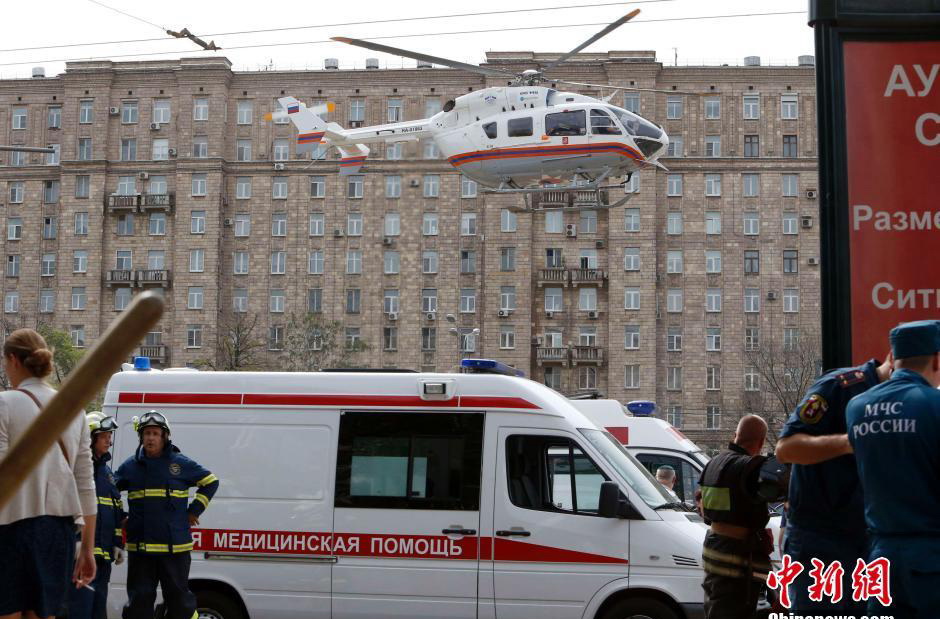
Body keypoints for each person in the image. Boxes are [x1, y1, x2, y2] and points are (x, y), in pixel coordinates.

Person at [775, 355, 892, 613]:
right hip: (821, 539)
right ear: (894, 358)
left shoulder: (913, 402)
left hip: (872, 542)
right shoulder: (839, 387)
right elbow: (786, 448)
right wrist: (852, 441)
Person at [0, 328, 97, 619]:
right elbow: (85, 483)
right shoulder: (75, 410)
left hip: (8, 528)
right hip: (57, 532)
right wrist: (88, 549)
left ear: (13, 360)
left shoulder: (4, 404)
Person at [846, 320, 940, 615]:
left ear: (892, 358)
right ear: (936, 360)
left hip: (880, 559)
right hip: (930, 560)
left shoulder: (857, 407)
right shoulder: (933, 404)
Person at [115, 411, 219, 619]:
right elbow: (109, 493)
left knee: (180, 604)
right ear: (141, 437)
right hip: (141, 550)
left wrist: (194, 511)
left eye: (155, 433)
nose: (150, 438)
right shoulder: (130, 467)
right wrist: (122, 517)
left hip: (175, 550)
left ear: (165, 437)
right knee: (138, 604)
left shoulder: (181, 464)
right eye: (146, 434)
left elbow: (211, 482)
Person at [699, 415, 775, 619]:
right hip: (736, 557)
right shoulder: (751, 466)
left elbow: (703, 510)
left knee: (715, 609)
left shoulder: (713, 463)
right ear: (761, 442)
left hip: (713, 548)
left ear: (735, 436)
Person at [68, 413, 125, 619]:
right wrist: (75, 542)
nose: (109, 440)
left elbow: (115, 510)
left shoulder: (106, 473)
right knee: (79, 611)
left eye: (110, 436)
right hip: (80, 556)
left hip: (103, 558)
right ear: (90, 438)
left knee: (98, 612)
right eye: (104, 436)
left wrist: (118, 543)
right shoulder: (77, 469)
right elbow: (67, 509)